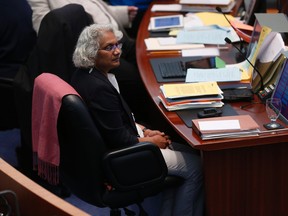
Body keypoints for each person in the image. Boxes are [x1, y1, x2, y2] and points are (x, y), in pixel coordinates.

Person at [71, 23, 204, 216]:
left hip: (126, 145)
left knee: (194, 153)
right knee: (197, 167)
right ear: (91, 53)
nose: (117, 51)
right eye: (109, 47)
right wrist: (151, 141)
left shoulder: (90, 75)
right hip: (125, 156)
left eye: (117, 45)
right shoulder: (97, 88)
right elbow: (117, 139)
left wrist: (144, 130)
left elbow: (114, 121)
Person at [27, 0, 150, 123]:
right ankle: (142, 122)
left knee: (147, 54)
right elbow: (45, 28)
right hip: (93, 48)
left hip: (116, 36)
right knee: (134, 77)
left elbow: (98, 8)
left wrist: (122, 13)